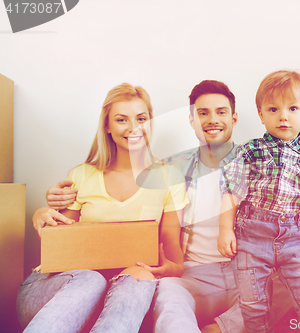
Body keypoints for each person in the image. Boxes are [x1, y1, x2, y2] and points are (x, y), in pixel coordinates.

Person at [46, 80, 300, 333]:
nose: (212, 119)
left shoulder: (264, 160)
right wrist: (51, 202)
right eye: (203, 113)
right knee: (169, 302)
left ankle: (223, 327)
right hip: (195, 275)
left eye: (221, 112)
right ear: (191, 119)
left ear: (235, 118)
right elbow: (112, 192)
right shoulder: (170, 169)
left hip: (252, 271)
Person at [17, 83, 189, 333]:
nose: (133, 128)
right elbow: (61, 247)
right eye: (122, 120)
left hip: (120, 295)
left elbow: (173, 253)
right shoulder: (82, 175)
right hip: (55, 293)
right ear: (107, 126)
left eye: (141, 118)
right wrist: (42, 216)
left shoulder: (168, 178)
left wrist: (170, 268)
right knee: (91, 278)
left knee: (139, 277)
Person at [218, 70, 300, 332]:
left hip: (295, 239)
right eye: (273, 109)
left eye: (292, 108)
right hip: (252, 237)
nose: (283, 116)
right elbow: (231, 192)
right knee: (252, 303)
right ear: (261, 114)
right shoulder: (250, 151)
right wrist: (225, 229)